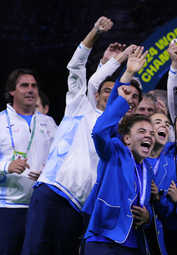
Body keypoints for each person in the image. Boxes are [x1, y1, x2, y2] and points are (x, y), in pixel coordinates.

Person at [21, 16, 118, 255]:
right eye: (105, 91)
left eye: (114, 92)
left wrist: (110, 64)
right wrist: (96, 33)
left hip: (79, 209)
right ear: (95, 96)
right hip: (51, 193)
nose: (109, 95)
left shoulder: (119, 132)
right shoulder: (79, 108)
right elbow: (76, 68)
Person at [83, 46, 155, 255]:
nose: (149, 136)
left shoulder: (147, 167)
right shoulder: (115, 151)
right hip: (104, 240)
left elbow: (141, 200)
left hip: (134, 244)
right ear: (126, 139)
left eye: (151, 133)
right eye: (141, 131)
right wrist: (128, 75)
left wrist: (148, 216)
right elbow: (100, 131)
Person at [0, 68, 57, 255]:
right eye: (24, 85)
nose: (31, 90)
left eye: (34, 86)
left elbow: (59, 159)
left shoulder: (48, 122)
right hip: (7, 207)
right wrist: (6, 167)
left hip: (41, 207)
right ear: (12, 91)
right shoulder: (0, 122)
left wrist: (48, 173)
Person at [144, 113, 177, 255]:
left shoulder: (170, 166)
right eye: (158, 122)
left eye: (167, 124)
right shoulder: (135, 157)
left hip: (155, 238)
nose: (164, 125)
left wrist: (158, 199)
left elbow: (168, 211)